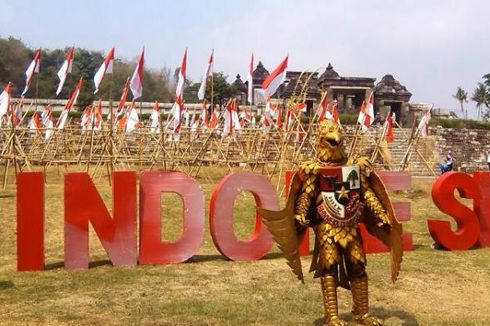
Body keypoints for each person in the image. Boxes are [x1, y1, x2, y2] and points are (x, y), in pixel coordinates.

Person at [258, 120, 402, 326]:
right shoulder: (314, 169)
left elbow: (366, 193)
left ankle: (362, 313)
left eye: (337, 132)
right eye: (329, 133)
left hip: (350, 225)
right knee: (329, 268)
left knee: (358, 266)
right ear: (320, 139)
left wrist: (381, 213)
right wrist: (299, 214)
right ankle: (332, 316)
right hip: (327, 226)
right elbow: (307, 195)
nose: (335, 137)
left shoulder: (353, 166)